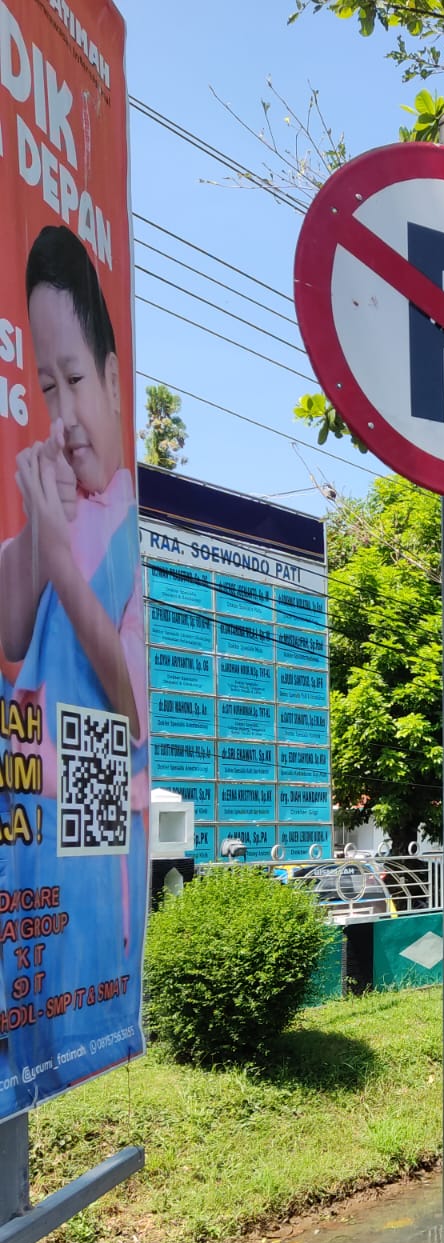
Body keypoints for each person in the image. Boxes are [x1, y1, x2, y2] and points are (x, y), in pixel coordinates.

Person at [0, 225, 147, 1076]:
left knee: (62, 1047)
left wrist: (60, 555)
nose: (63, 415)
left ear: (116, 379)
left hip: (88, 868)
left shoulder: (125, 525)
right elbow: (12, 632)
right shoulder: (56, 509)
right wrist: (36, 531)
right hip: (26, 853)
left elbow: (129, 702)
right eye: (46, 387)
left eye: (77, 381)